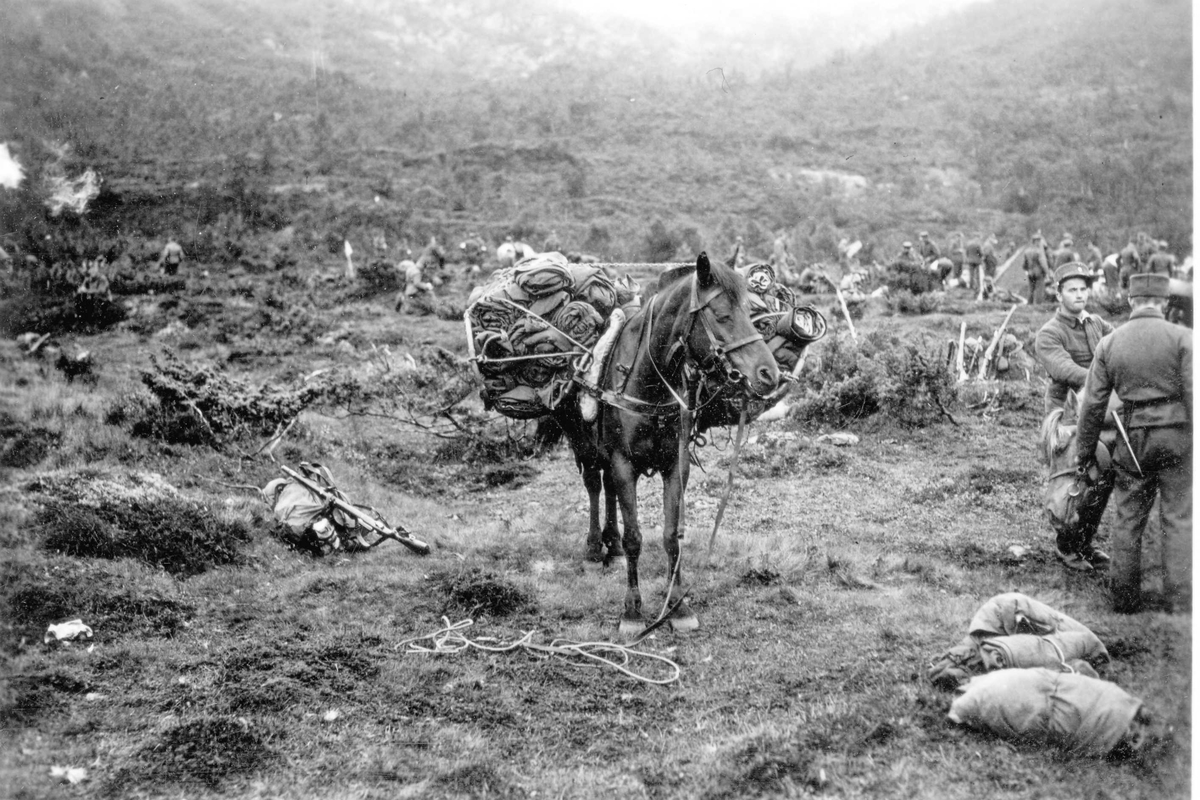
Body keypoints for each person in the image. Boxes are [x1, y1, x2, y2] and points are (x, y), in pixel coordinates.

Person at [1075, 273, 1192, 613]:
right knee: (1179, 518)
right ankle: (1181, 601)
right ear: (1166, 303)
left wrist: (1085, 452)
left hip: (1133, 442)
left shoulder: (1110, 344)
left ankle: (1124, 600)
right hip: (1178, 439)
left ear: (1130, 301)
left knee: (1127, 519)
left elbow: (1093, 406)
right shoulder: (1184, 337)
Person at [1022, 233, 1051, 305]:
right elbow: (1043, 263)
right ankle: (1038, 305)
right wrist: (1047, 273)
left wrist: (1027, 269)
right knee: (1039, 289)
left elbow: (1024, 264)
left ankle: (1029, 304)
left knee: (1031, 289)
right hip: (1039, 273)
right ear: (1037, 241)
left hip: (1030, 273)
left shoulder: (1027, 251)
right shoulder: (1039, 251)